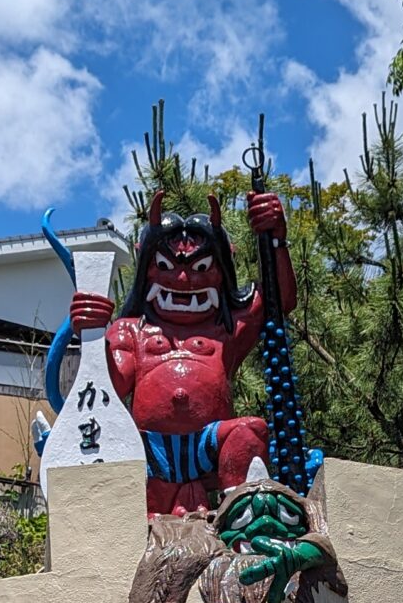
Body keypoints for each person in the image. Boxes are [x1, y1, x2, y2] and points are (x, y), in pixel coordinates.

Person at [68, 190, 294, 515]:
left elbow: (277, 300)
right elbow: (109, 390)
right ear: (146, 269)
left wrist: (275, 240)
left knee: (249, 431)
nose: (184, 279)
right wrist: (91, 333)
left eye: (202, 267)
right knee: (146, 512)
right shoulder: (130, 330)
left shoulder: (227, 329)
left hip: (209, 444)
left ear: (222, 271)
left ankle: (242, 517)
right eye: (165, 266)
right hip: (148, 448)